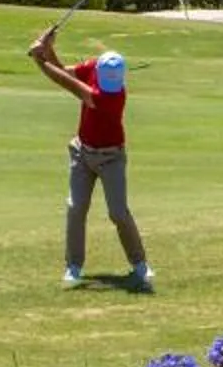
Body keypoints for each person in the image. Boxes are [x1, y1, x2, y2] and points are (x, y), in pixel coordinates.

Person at [28, 22, 151, 292]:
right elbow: (65, 72)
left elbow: (66, 84)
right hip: (82, 152)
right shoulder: (96, 68)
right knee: (75, 208)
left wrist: (39, 59)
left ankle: (140, 263)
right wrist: (50, 50)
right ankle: (73, 266)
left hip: (111, 157)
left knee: (118, 212)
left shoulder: (112, 96)